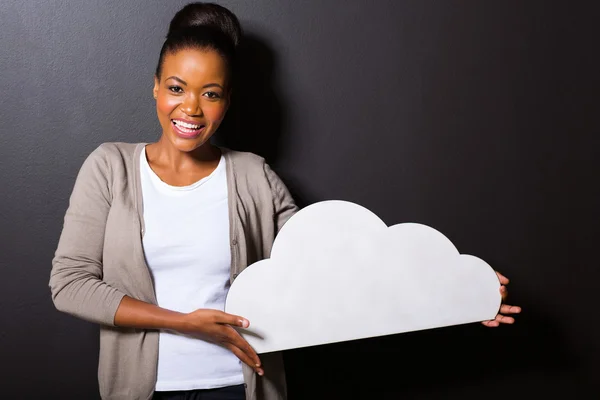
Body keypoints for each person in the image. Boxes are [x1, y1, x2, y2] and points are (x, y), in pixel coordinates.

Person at [49, 3, 521, 400]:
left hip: (242, 386)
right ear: (156, 86)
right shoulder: (109, 168)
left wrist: (459, 292)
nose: (191, 108)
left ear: (227, 101)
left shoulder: (254, 176)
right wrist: (187, 323)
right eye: (177, 88)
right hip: (144, 390)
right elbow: (69, 284)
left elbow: (334, 274)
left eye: (209, 94)